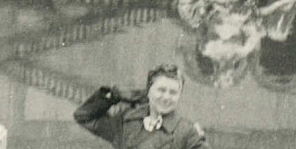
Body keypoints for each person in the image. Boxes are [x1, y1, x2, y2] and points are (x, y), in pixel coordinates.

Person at [73, 64, 207, 149]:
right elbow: (84, 117)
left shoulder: (187, 132)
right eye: (161, 90)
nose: (166, 97)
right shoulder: (127, 120)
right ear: (148, 90)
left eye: (173, 92)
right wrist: (115, 95)